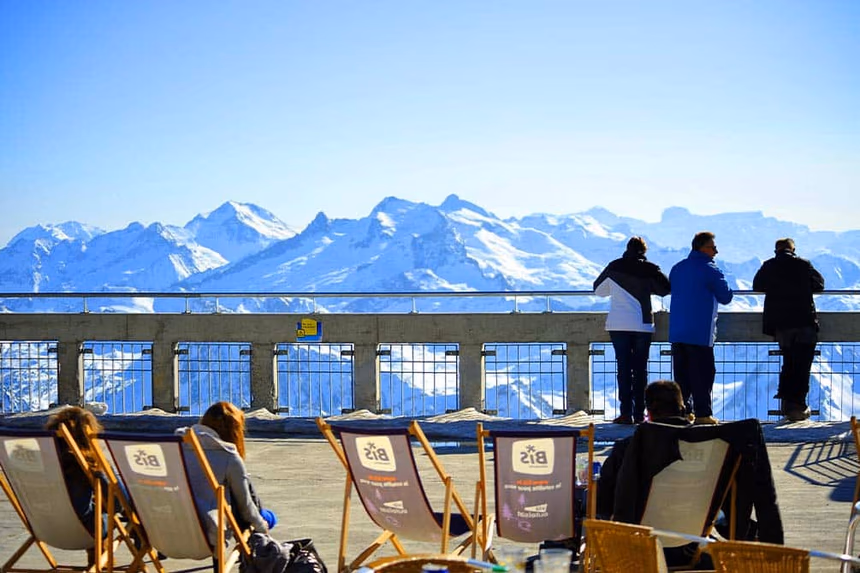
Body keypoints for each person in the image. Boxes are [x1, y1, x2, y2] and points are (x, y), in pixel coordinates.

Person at [598, 381, 784, 569]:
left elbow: (602, 501)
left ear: (649, 413)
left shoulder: (629, 448)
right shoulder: (718, 447)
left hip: (640, 548)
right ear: (683, 409)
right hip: (691, 543)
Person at [176, 402, 277, 547]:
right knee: (265, 515)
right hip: (210, 531)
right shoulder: (228, 457)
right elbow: (246, 509)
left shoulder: (176, 447)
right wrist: (263, 528)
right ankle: (260, 532)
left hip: (166, 527)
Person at [593, 236, 671, 424]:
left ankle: (625, 413)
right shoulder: (650, 268)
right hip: (642, 324)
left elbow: (598, 290)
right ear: (644, 251)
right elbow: (666, 289)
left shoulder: (614, 266)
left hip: (618, 324)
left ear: (626, 249)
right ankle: (639, 413)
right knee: (640, 369)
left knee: (624, 369)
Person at [752, 238, 825, 421]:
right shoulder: (803, 264)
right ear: (793, 250)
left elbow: (757, 286)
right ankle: (798, 405)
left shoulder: (769, 266)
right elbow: (819, 285)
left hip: (782, 325)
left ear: (776, 250)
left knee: (788, 361)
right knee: (802, 364)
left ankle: (787, 405)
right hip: (804, 322)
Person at [668, 231, 733, 425]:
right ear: (702, 248)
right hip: (700, 332)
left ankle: (682, 412)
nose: (716, 251)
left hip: (677, 331)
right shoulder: (710, 270)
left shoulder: (677, 268)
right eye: (713, 247)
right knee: (703, 374)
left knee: (682, 376)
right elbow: (726, 297)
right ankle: (703, 414)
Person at [44, 405, 106, 536]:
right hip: (87, 529)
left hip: (45, 526)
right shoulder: (89, 465)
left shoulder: (43, 463)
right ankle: (147, 536)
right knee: (129, 502)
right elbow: (117, 504)